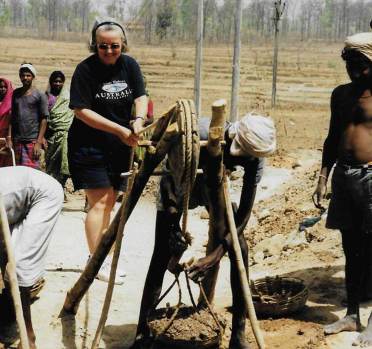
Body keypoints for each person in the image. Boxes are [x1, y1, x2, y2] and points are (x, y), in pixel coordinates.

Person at [132, 115, 271, 349]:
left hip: (216, 186)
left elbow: (244, 213)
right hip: (179, 181)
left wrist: (215, 255)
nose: (247, 159)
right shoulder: (201, 135)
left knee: (241, 251)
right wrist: (174, 226)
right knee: (162, 252)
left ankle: (238, 333)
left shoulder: (257, 154)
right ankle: (142, 333)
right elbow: (168, 181)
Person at [68, 18, 148, 284]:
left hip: (119, 147)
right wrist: (119, 130)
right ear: (95, 45)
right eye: (103, 46)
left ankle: (104, 255)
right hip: (88, 145)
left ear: (123, 44)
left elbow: (140, 96)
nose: (109, 51)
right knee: (100, 201)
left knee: (111, 202)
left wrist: (138, 120)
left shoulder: (130, 65)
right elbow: (81, 111)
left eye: (114, 46)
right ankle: (95, 260)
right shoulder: (85, 70)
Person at [313, 32, 372, 346]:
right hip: (344, 178)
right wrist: (323, 177)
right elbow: (331, 139)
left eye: (361, 64)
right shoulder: (340, 95)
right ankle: (352, 314)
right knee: (351, 249)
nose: (355, 71)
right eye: (350, 64)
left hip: (370, 177)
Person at [0, 166, 64, 349]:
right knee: (5, 252)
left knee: (20, 266)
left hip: (43, 195)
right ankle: (8, 308)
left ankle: (28, 338)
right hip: (16, 199)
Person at [8, 64, 48, 169]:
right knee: (18, 172)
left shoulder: (40, 95)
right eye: (22, 75)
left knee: (33, 173)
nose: (25, 78)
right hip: (18, 141)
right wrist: (9, 138)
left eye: (28, 75)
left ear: (33, 77)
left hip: (32, 140)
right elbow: (12, 116)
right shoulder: (16, 94)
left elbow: (44, 119)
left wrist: (38, 142)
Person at [45, 71, 74, 199]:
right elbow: (43, 117)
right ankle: (53, 191)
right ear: (51, 82)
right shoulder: (46, 96)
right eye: (55, 81)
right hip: (50, 135)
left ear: (63, 82)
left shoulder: (69, 96)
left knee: (65, 165)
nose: (57, 84)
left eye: (60, 81)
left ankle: (60, 188)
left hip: (66, 134)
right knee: (50, 164)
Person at [0, 78, 13, 167]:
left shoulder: (12, 102)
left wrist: (9, 137)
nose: (3, 89)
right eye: (0, 87)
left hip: (6, 137)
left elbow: (12, 122)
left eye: (5, 87)